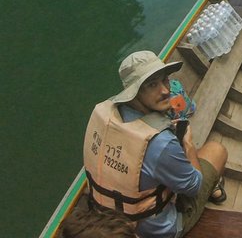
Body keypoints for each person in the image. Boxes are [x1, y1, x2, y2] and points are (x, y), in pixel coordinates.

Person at [82, 50, 228, 238]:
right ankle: (214, 188)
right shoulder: (161, 143)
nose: (166, 90)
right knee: (216, 150)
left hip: (106, 214)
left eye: (165, 80)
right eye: (152, 85)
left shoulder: (103, 112)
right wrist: (188, 144)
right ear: (134, 92)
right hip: (156, 230)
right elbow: (194, 186)